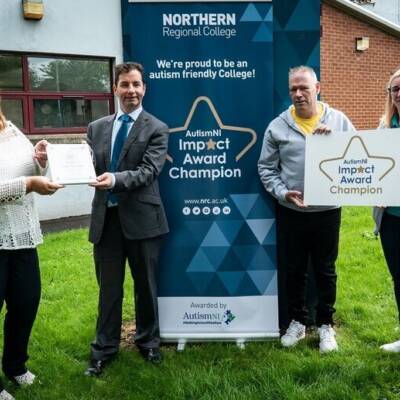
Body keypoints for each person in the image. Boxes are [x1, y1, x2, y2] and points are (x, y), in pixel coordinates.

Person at [258, 66, 354, 353]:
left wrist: (335, 140)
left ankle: (325, 324)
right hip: (291, 212)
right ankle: (298, 322)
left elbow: (357, 155)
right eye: (293, 89)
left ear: (318, 88)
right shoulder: (277, 126)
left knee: (325, 270)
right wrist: (283, 193)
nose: (298, 94)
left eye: (304, 88)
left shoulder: (338, 121)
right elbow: (266, 168)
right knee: (295, 269)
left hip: (327, 211)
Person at [84, 62, 169, 376]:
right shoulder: (96, 128)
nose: (130, 90)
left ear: (144, 88)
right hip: (106, 221)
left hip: (143, 220)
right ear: (115, 88)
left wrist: (116, 180)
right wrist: (48, 159)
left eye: (136, 84)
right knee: (109, 290)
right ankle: (104, 350)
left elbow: (149, 172)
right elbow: (87, 166)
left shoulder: (157, 128)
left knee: (145, 287)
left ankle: (148, 343)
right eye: (125, 84)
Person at [0, 104, 62, 400]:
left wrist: (40, 160)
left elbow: (32, 170)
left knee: (25, 303)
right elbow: (25, 182)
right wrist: (29, 184)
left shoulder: (12, 130)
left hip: (22, 236)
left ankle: (14, 365)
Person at [373, 68, 400, 352]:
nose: (399, 93)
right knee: (399, 278)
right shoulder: (385, 127)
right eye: (395, 89)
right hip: (391, 220)